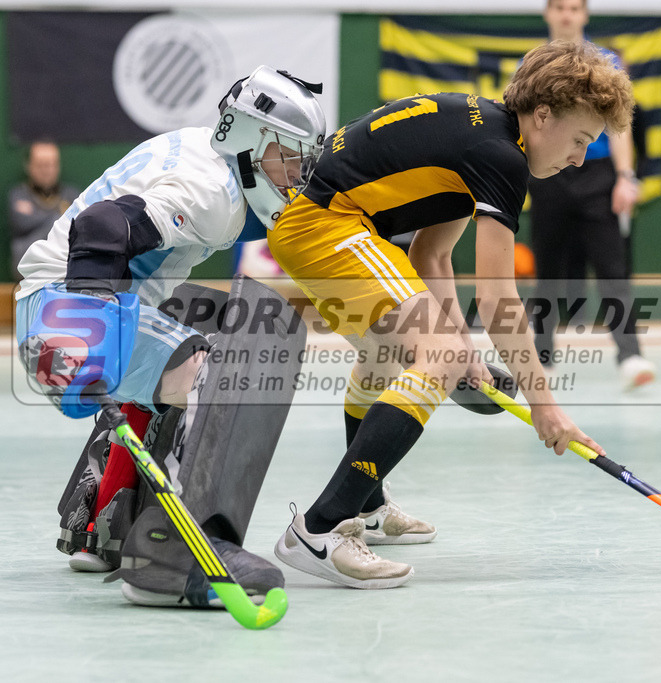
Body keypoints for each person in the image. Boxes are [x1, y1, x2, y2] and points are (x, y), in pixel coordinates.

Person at [267, 40, 627, 589]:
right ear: (543, 115)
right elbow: (498, 300)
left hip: (328, 224)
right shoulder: (503, 158)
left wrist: (468, 356)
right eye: (580, 139)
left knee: (390, 354)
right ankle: (320, 528)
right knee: (438, 353)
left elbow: (431, 255)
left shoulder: (483, 134)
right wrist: (546, 406)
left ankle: (367, 505)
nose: (579, 158)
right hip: (326, 225)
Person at [14, 66, 326, 607]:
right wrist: (86, 332)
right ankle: (173, 560)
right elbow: (103, 227)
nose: (296, 175)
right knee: (225, 374)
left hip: (51, 302)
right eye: (288, 156)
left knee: (182, 343)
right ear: (251, 140)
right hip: (61, 308)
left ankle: (103, 523)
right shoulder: (213, 193)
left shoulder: (199, 151)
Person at [525, 0, 656, 390]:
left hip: (599, 177)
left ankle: (630, 357)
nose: (567, 14)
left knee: (612, 270)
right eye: (559, 7)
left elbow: (620, 126)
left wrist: (625, 177)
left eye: (574, 7)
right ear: (548, 13)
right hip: (549, 172)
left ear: (584, 14)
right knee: (547, 272)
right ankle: (542, 359)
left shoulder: (607, 63)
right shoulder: (532, 64)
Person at [8, 141, 79, 281]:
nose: (47, 170)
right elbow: (22, 223)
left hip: (66, 273)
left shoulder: (72, 195)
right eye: (41, 165)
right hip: (29, 272)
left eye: (51, 164)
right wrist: (58, 219)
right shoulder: (18, 195)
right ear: (29, 166)